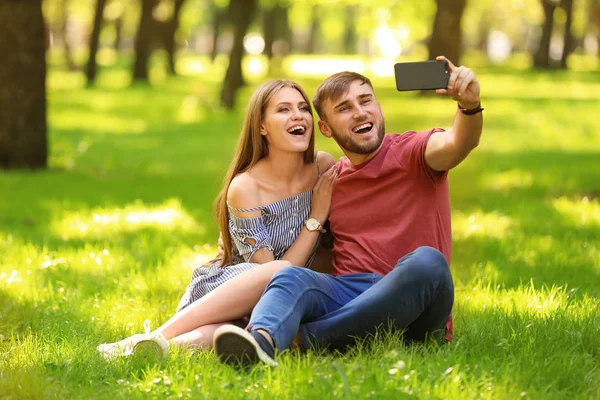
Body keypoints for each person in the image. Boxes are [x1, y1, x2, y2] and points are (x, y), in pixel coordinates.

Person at [212, 56, 483, 366]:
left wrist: (469, 106)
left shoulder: (414, 153)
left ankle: (304, 339)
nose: (359, 112)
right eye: (344, 108)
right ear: (325, 129)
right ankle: (262, 340)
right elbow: (288, 230)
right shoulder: (329, 180)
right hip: (349, 292)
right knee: (292, 277)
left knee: (428, 263)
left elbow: (459, 142)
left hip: (415, 303)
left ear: (379, 108)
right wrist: (233, 240)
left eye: (366, 101)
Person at [97, 79, 337, 361]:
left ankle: (149, 351)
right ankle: (154, 335)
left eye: (303, 108)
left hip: (272, 303)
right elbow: (276, 277)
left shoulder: (323, 166)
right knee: (275, 279)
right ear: (261, 127)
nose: (297, 116)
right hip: (231, 289)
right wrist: (315, 218)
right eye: (283, 110)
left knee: (235, 333)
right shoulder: (246, 187)